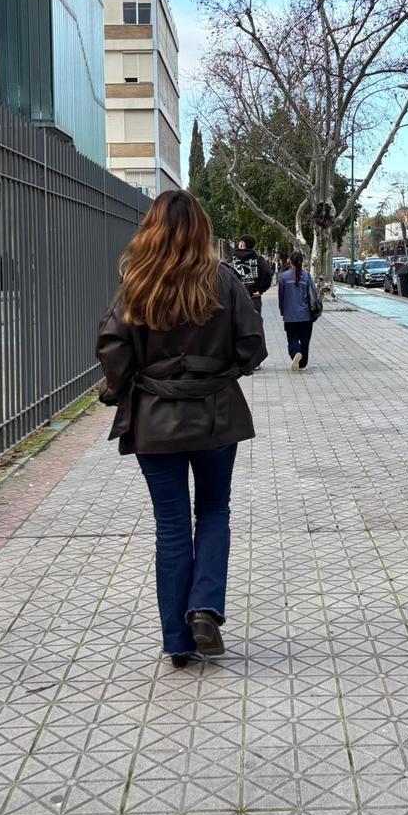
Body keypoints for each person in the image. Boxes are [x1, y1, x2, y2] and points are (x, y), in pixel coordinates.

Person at [97, 190, 267, 668]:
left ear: (151, 230)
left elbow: (113, 348)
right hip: (215, 413)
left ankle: (177, 641)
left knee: (170, 527)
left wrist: (127, 385)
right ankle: (205, 607)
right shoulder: (223, 281)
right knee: (213, 509)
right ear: (201, 230)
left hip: (154, 418)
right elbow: (252, 346)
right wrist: (220, 372)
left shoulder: (136, 284)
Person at [278, 250, 316, 371]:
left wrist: (282, 311)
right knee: (305, 342)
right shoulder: (307, 276)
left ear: (290, 262)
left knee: (292, 339)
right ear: (301, 262)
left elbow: (281, 296)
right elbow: (313, 295)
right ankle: (302, 363)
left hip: (290, 316)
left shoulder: (283, 277)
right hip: (305, 315)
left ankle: (295, 354)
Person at [228, 234, 273, 315]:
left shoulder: (231, 259)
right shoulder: (258, 258)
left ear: (242, 243)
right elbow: (268, 273)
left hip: (236, 299)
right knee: (254, 324)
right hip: (253, 297)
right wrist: (261, 290)